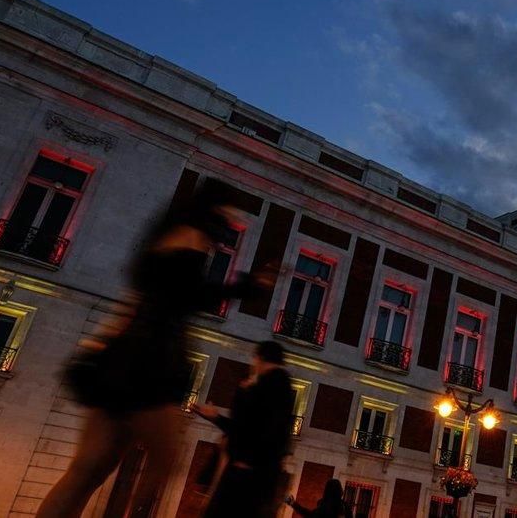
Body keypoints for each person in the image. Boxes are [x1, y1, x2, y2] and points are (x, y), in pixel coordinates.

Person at [37, 181, 273, 518]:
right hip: (151, 360)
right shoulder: (191, 237)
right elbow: (185, 296)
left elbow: (151, 293)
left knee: (89, 467)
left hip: (120, 358)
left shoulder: (163, 238)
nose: (227, 229)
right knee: (166, 460)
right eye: (227, 217)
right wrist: (244, 288)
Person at [195, 340, 296, 518]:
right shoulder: (283, 386)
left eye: (254, 358)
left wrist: (240, 397)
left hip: (245, 475)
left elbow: (245, 428)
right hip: (262, 478)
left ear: (260, 358)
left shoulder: (264, 386)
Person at [284, 479, 348, 518]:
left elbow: (310, 515)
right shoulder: (344, 506)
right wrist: (294, 504)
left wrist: (294, 505)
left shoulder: (325, 506)